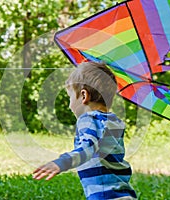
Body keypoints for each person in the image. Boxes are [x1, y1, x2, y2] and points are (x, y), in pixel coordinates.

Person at [33, 61, 137, 200]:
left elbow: (88, 147)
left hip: (104, 196)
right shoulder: (115, 122)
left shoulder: (88, 118)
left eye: (70, 97)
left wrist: (62, 162)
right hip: (124, 194)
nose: (70, 105)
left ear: (84, 96)